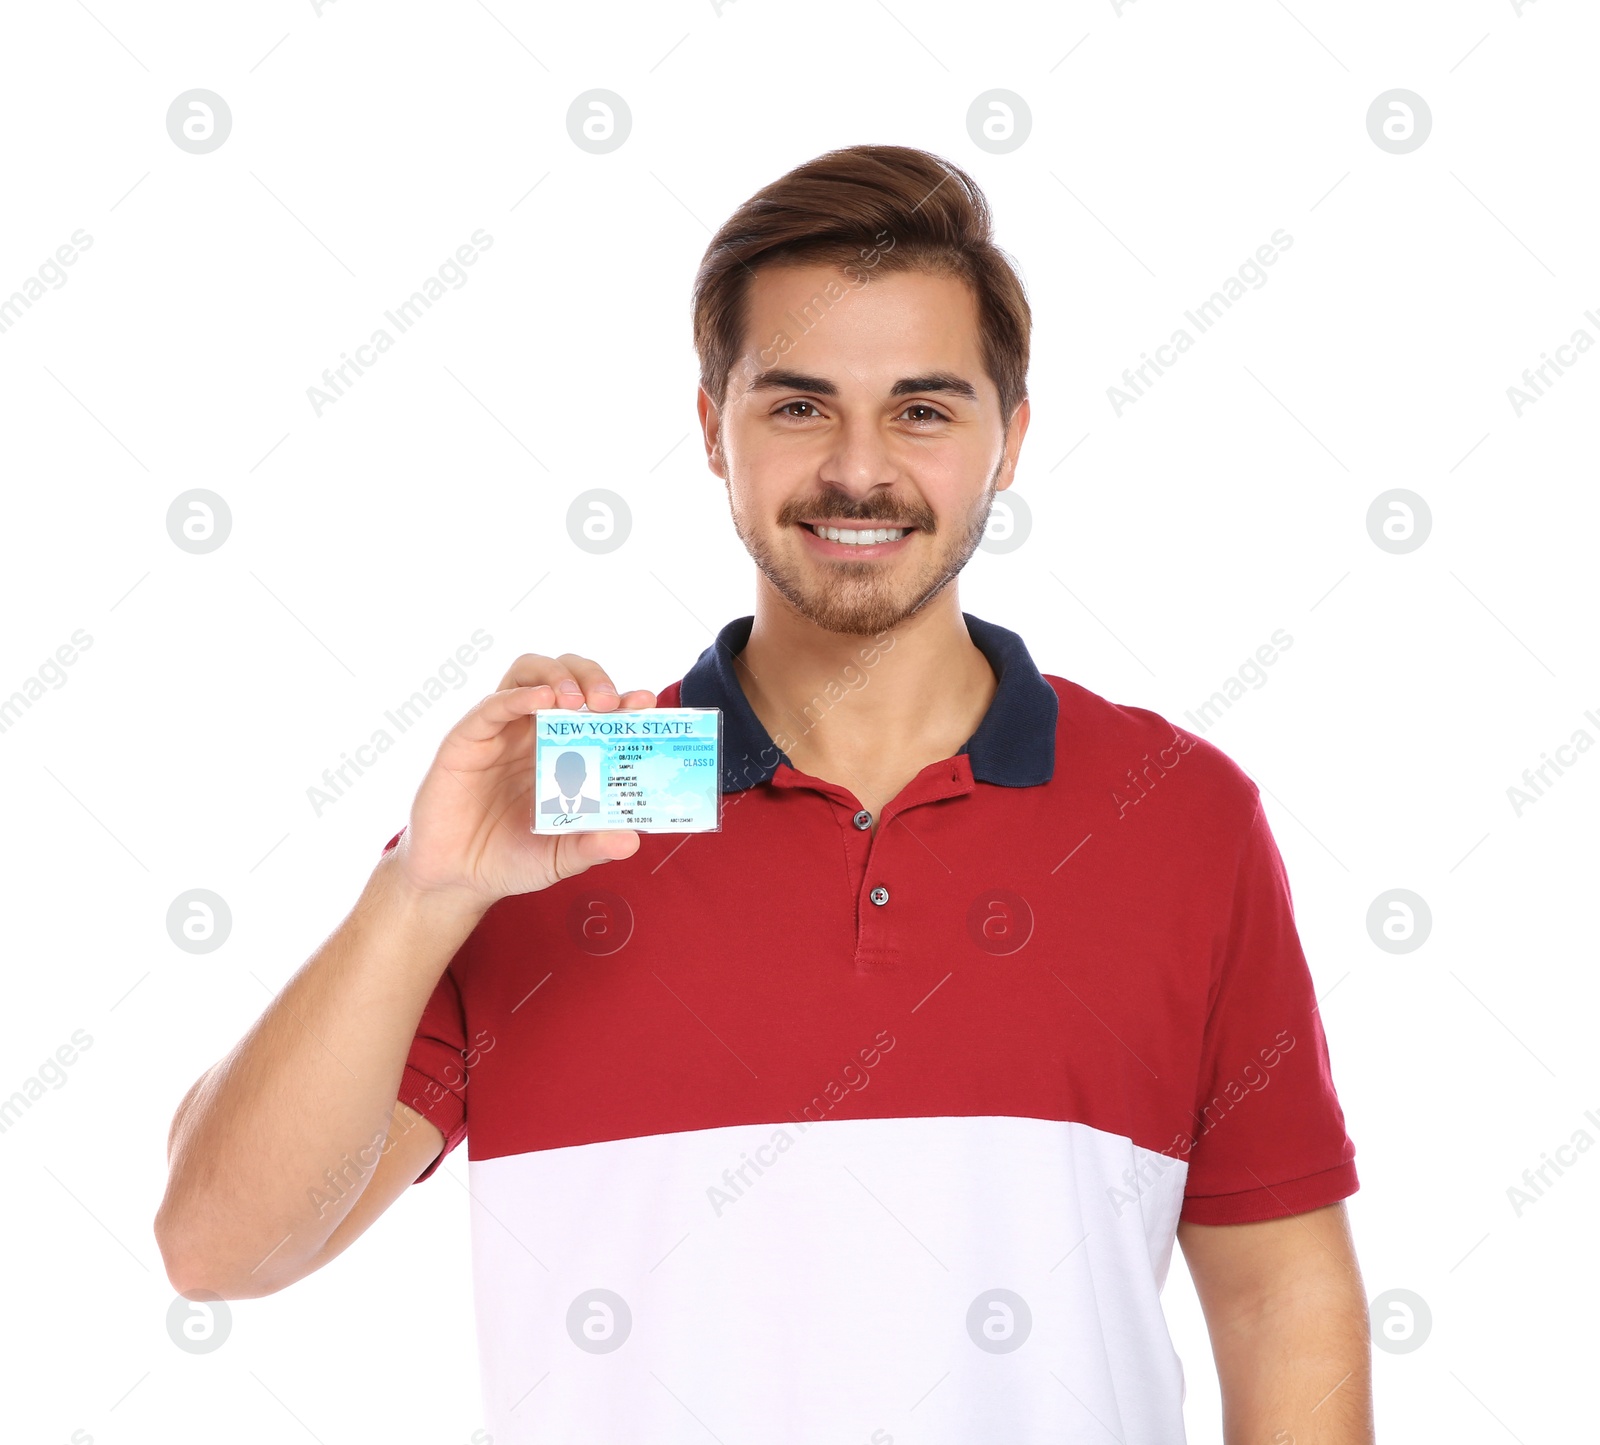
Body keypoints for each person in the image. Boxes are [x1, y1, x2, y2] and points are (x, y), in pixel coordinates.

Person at [155, 144, 1372, 1444]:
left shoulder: (1175, 815)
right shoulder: (562, 808)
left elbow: (1278, 1297)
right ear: (710, 431)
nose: (859, 468)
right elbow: (221, 1248)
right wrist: (419, 896)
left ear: (1009, 439)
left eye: (922, 408)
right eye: (797, 406)